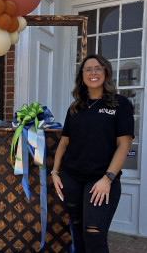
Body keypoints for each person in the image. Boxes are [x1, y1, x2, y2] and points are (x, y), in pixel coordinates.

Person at [52, 54, 134, 253]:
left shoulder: (120, 104)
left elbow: (124, 145)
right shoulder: (75, 108)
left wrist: (108, 178)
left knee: (94, 234)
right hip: (71, 178)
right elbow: (64, 142)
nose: (93, 72)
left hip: (101, 180)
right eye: (87, 69)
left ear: (106, 72)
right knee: (78, 231)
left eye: (98, 68)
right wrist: (55, 172)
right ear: (82, 76)